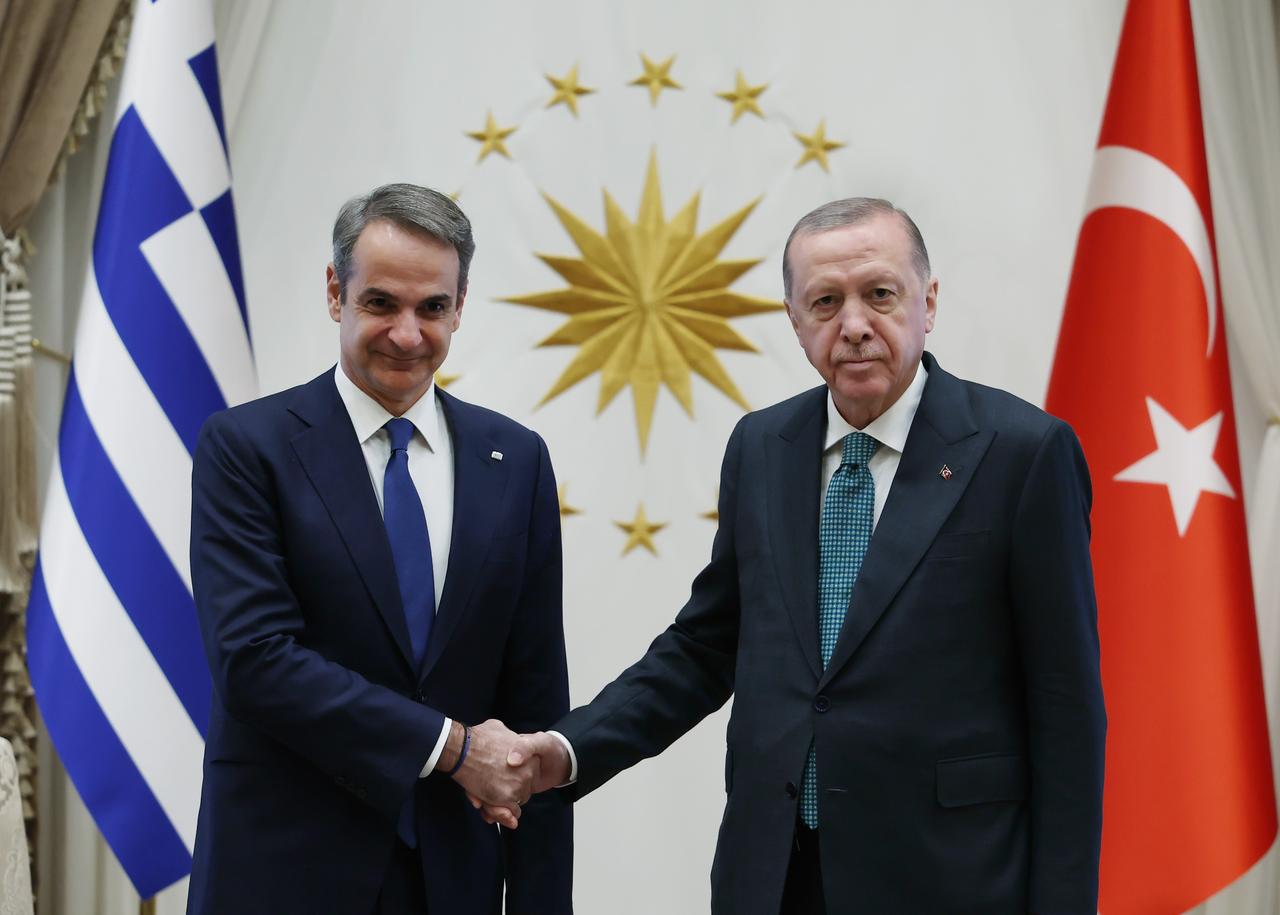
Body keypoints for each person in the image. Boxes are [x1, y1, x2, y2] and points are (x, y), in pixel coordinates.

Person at [505, 198, 1105, 913]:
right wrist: (570, 747)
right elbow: (704, 646)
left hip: (948, 879)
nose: (853, 325)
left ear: (929, 301)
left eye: (880, 294)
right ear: (795, 321)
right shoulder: (762, 448)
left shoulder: (1024, 453)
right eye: (825, 301)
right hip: (775, 877)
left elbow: (1067, 710)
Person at [187, 183, 572, 914]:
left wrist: (541, 899)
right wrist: (453, 747)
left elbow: (534, 702)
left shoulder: (515, 460)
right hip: (284, 877)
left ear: (460, 306)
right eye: (381, 303)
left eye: (432, 307)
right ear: (337, 293)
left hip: (452, 881)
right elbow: (255, 661)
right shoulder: (247, 449)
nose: (407, 333)